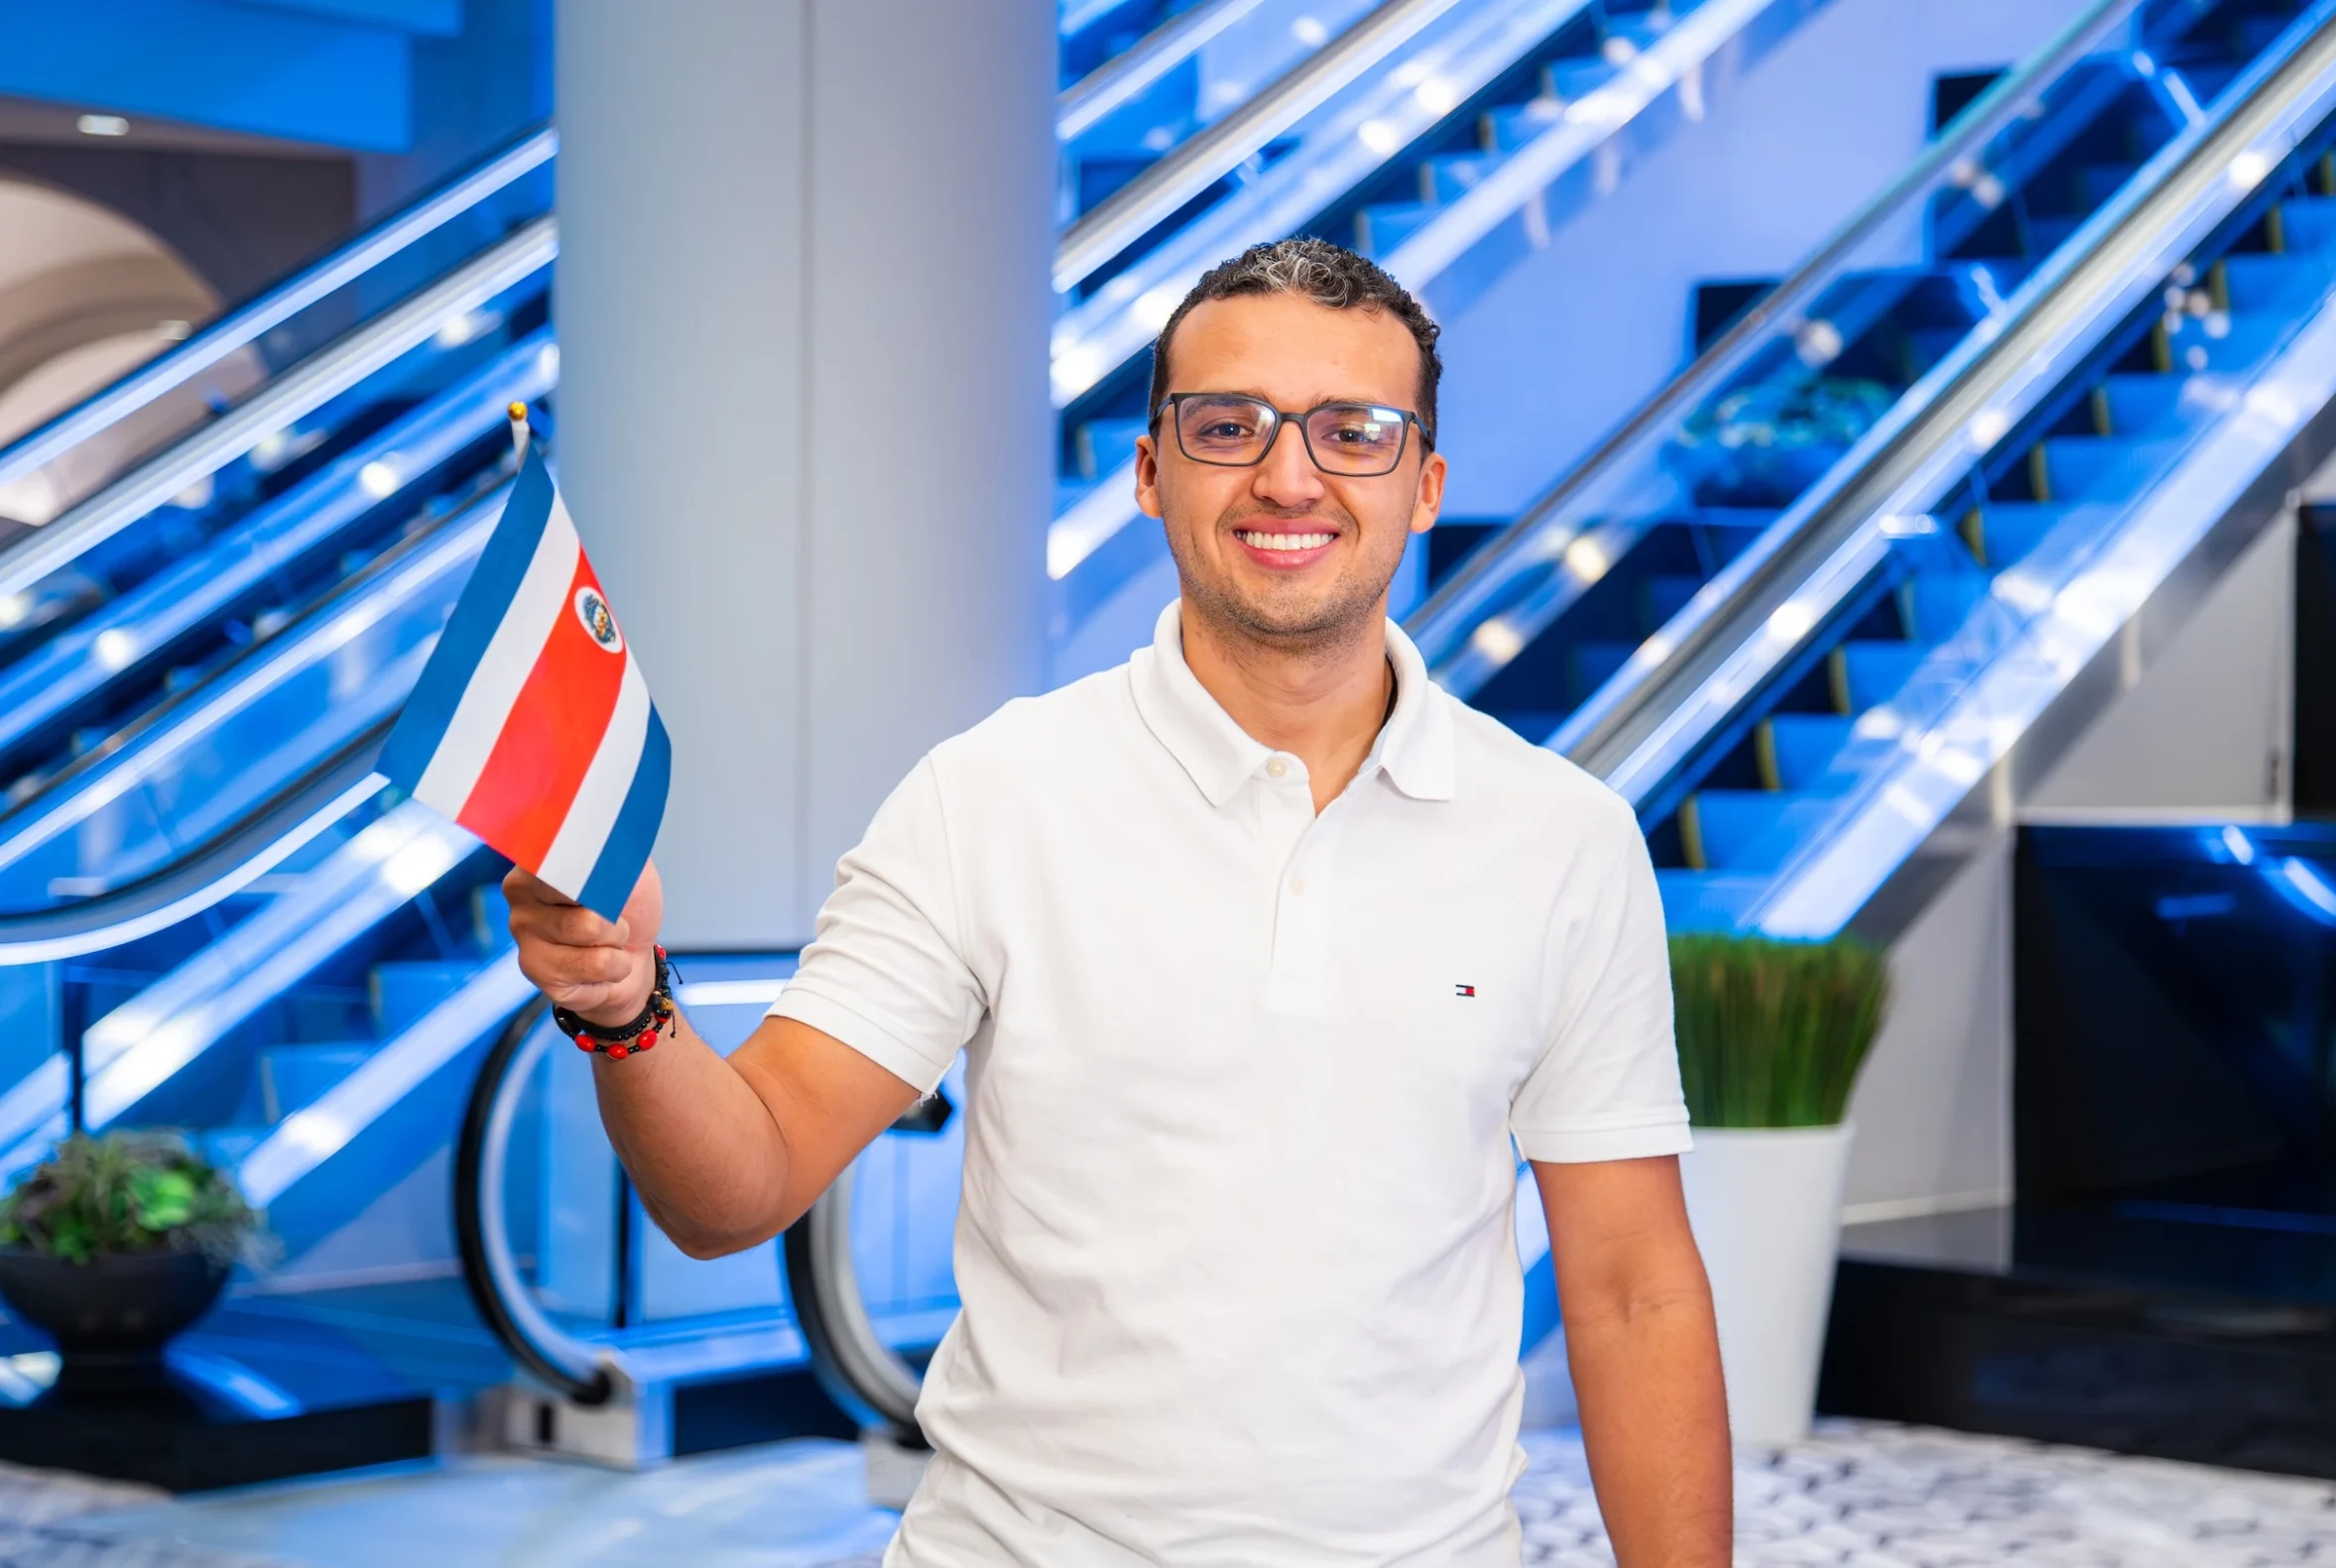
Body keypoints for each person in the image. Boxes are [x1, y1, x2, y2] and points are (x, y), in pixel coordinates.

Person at [508, 237, 1732, 1565]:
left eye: (1354, 431)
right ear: (1150, 471)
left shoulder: (1562, 838)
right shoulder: (989, 797)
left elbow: (1631, 1293)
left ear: (1425, 486)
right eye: (1227, 424)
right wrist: (625, 1006)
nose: (1287, 475)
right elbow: (734, 1189)